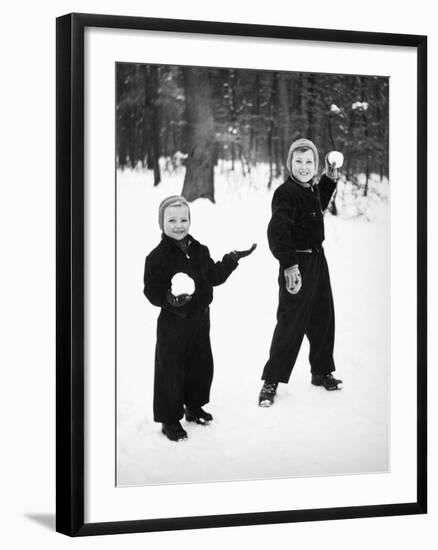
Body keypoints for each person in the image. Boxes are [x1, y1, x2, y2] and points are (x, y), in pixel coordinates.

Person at [144, 195, 256, 441]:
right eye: (171, 220)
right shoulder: (156, 258)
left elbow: (213, 276)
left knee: (200, 365)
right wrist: (169, 298)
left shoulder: (200, 250)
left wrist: (231, 259)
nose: (178, 225)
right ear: (161, 222)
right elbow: (151, 291)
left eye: (184, 219)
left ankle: (193, 407)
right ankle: (169, 419)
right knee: (170, 370)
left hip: (200, 319)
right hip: (173, 322)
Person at [259, 138, 343, 407]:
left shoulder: (310, 189)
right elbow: (278, 231)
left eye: (309, 162)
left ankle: (321, 371)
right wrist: (289, 264)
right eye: (299, 161)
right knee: (290, 322)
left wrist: (330, 177)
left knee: (323, 317)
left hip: (318, 261)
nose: (304, 167)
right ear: (290, 164)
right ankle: (271, 380)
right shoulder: (286, 193)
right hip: (297, 265)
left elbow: (319, 203)